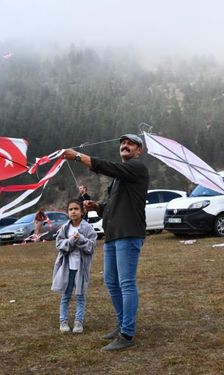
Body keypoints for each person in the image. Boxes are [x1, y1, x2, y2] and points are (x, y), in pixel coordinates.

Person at [62, 133, 149, 351]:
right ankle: (121, 324)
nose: (124, 145)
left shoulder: (137, 168)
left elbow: (106, 166)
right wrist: (98, 207)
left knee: (126, 283)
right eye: (122, 143)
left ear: (139, 150)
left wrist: (77, 157)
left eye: (130, 143)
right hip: (112, 234)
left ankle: (127, 334)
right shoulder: (119, 178)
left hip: (129, 234)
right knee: (111, 282)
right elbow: (111, 207)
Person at [52, 199, 98, 334]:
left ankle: (79, 321)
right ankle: (63, 321)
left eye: (76, 209)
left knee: (80, 295)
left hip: (81, 268)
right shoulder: (65, 228)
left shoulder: (88, 228)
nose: (73, 212)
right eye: (70, 209)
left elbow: (91, 247)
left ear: (82, 211)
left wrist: (81, 239)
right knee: (65, 295)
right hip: (67, 267)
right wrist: (71, 241)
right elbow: (59, 245)